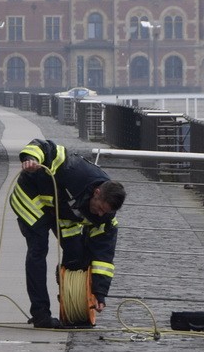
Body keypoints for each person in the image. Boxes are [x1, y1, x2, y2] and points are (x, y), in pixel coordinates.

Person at [9, 139, 126, 328]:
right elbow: (46, 146)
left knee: (77, 256)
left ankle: (69, 294)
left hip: (61, 211)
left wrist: (99, 293)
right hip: (32, 198)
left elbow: (104, 258)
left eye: (106, 212)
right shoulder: (75, 171)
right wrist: (31, 158)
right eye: (99, 208)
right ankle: (40, 315)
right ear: (97, 192)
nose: (100, 214)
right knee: (38, 250)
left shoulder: (106, 218)